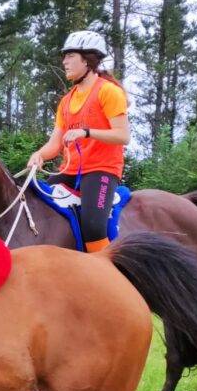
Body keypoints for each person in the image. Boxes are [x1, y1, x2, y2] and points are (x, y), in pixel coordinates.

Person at [26, 30, 131, 253]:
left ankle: (104, 273)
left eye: (70, 56)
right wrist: (39, 155)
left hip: (102, 169)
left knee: (93, 226)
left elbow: (123, 136)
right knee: (40, 208)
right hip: (70, 170)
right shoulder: (66, 101)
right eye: (65, 57)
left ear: (88, 59)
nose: (64, 61)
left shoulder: (108, 92)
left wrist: (87, 132)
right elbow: (55, 145)